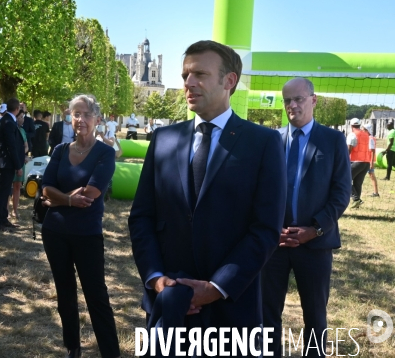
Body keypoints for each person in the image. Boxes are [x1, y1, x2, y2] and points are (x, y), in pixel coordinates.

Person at [128, 40, 287, 356]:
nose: (188, 82)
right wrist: (156, 278)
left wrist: (216, 288)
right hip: (168, 303)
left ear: (229, 81)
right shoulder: (163, 139)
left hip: (231, 308)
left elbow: (266, 228)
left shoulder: (263, 143)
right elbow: (142, 217)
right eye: (185, 74)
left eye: (199, 73)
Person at [261, 77, 351, 358]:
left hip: (314, 244)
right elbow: (259, 190)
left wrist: (315, 229)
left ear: (313, 100)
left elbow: (341, 192)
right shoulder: (272, 140)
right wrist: (269, 229)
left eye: (299, 99)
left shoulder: (333, 140)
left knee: (314, 314)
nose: (292, 105)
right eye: (287, 100)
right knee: (266, 313)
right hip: (275, 243)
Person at [41, 94, 120, 358]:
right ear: (69, 117)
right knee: (65, 294)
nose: (81, 120)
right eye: (76, 114)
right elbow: (44, 189)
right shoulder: (60, 150)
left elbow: (92, 193)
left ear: (97, 119)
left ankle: (110, 352)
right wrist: (68, 200)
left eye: (86, 114)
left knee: (96, 297)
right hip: (55, 233)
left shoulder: (105, 153)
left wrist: (58, 199)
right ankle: (72, 348)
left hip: (86, 235)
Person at [0, 98, 24, 231]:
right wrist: (18, 165)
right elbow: (11, 146)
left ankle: (3, 218)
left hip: (6, 161)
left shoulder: (6, 120)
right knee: (3, 192)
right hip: (7, 162)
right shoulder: (9, 122)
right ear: (16, 109)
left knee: (6, 192)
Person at [10, 110, 29, 219]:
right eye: (20, 116)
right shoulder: (10, 129)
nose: (22, 119)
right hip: (11, 162)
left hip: (20, 161)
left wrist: (22, 154)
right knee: (8, 186)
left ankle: (15, 210)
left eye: (23, 116)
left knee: (17, 185)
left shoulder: (22, 131)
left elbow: (26, 146)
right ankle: (6, 210)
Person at [347, 118, 371, 208]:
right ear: (359, 125)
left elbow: (349, 149)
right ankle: (356, 203)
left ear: (351, 125)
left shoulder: (352, 134)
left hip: (356, 161)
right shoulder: (365, 134)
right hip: (366, 162)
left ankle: (356, 199)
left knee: (344, 180)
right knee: (358, 183)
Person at [363, 125, 380, 197]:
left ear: (367, 130)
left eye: (364, 129)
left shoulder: (370, 139)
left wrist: (371, 162)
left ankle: (376, 193)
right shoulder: (368, 138)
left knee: (372, 176)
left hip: (368, 160)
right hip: (366, 159)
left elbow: (372, 151)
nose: (362, 130)